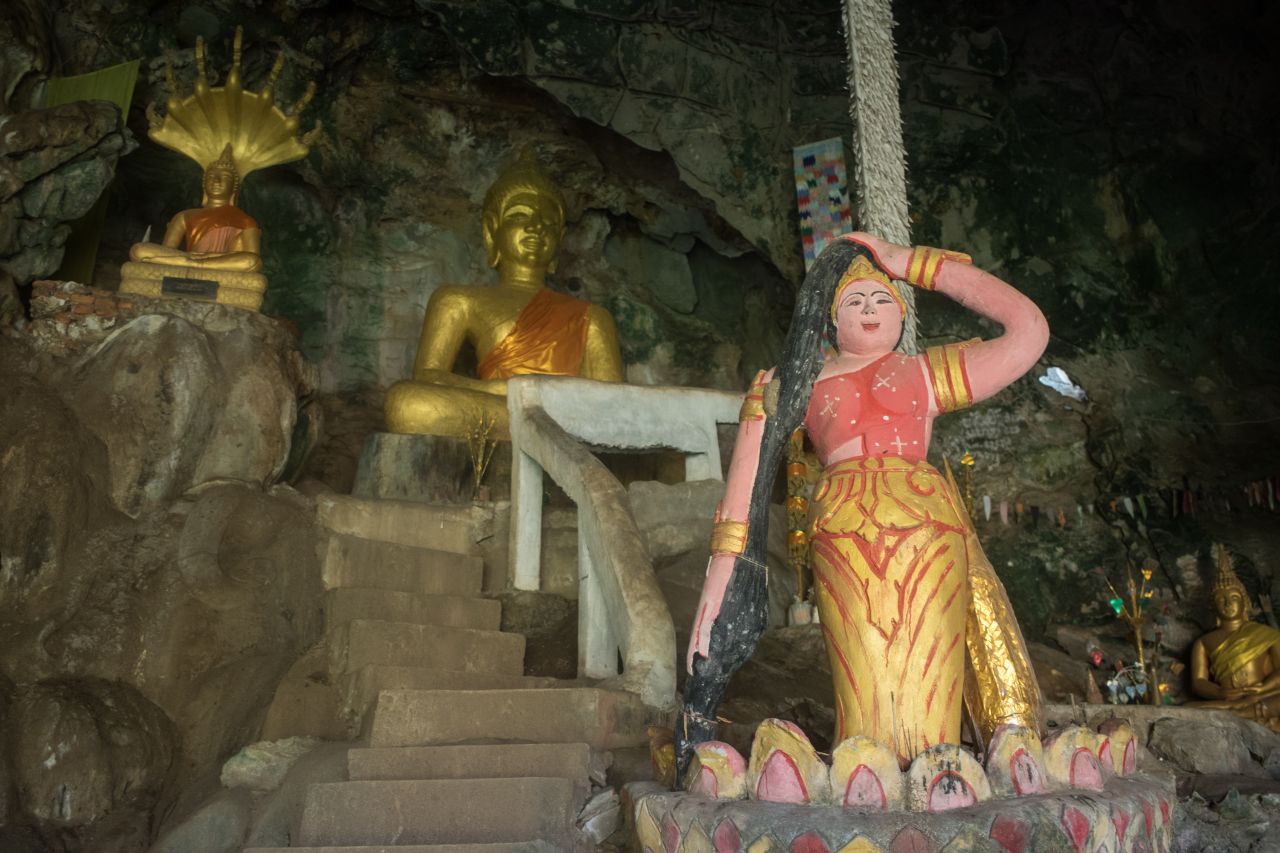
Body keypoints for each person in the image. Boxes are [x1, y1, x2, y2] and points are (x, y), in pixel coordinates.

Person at [678, 233, 1048, 773]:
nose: (870, 309)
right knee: (863, 671)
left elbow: (1029, 330)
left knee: (933, 673)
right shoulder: (795, 383)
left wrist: (912, 264)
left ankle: (940, 774)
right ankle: (866, 775)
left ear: (902, 314)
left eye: (882, 299)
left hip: (929, 529)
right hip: (843, 531)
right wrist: (719, 583)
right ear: (830, 321)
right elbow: (742, 496)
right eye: (854, 301)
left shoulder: (928, 373)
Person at [384, 151, 623, 439]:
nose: (536, 227)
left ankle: (542, 433)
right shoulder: (457, 300)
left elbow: (614, 403)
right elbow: (428, 376)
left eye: (548, 221)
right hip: (502, 408)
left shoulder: (591, 317)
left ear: (559, 240)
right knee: (407, 403)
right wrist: (507, 390)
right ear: (491, 230)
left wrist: (536, 395)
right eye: (519, 215)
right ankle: (539, 434)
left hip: (567, 419)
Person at [129, 144, 263, 272]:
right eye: (211, 177)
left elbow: (252, 258)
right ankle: (191, 263)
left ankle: (195, 264)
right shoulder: (184, 216)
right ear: (204, 184)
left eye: (225, 178)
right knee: (138, 250)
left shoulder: (246, 221)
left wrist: (205, 258)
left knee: (252, 261)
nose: (216, 181)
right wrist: (188, 257)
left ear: (234, 187)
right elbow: (168, 250)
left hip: (217, 265)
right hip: (188, 259)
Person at [1189, 552, 1280, 731]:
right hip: (1228, 700)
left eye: (1234, 598)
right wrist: (1219, 692)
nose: (1228, 603)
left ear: (1245, 602)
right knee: (1188, 708)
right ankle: (1249, 714)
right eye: (1221, 599)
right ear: (1213, 606)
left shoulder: (1266, 634)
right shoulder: (1204, 642)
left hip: (1263, 694)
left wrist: (1264, 687)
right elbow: (1198, 681)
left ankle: (1240, 714)